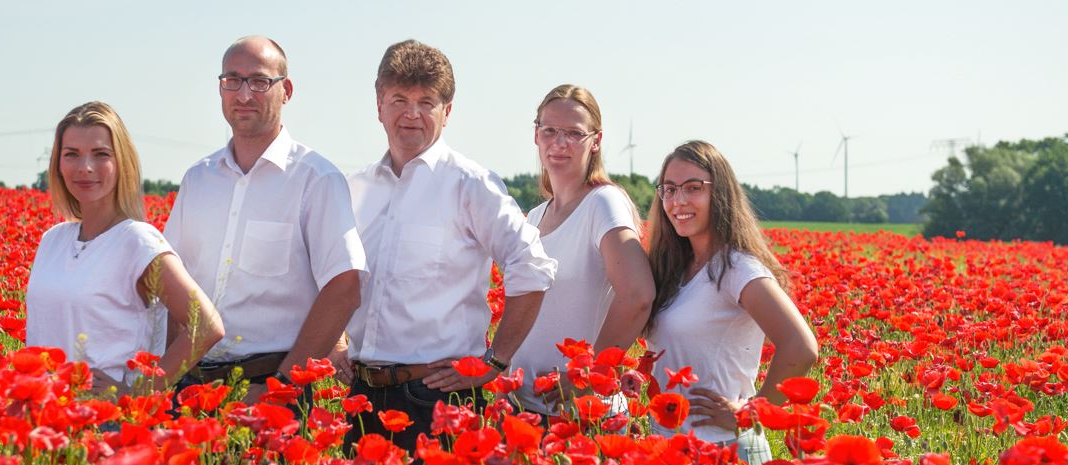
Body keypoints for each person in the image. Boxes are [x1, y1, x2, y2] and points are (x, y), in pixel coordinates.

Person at [344, 39, 557, 452]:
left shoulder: (469, 184)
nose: (411, 113)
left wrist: (495, 362)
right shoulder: (357, 188)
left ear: (448, 111)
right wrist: (336, 345)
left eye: (427, 101)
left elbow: (532, 265)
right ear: (378, 104)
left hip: (436, 398)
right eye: (399, 99)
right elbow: (335, 276)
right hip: (362, 397)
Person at [164, 36, 366, 401]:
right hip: (192, 389)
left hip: (270, 387)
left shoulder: (315, 179)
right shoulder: (198, 178)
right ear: (220, 87)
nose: (243, 95)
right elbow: (173, 286)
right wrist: (169, 378)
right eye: (232, 81)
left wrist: (283, 387)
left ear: (286, 90)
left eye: (259, 82)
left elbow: (344, 287)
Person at [26, 101, 225, 397]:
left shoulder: (137, 241)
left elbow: (206, 326)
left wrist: (138, 392)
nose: (85, 168)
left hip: (102, 420)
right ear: (58, 163)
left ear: (122, 163)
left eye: (100, 154)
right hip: (44, 412)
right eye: (72, 155)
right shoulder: (53, 240)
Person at [644, 140, 819, 462]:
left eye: (693, 188)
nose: (678, 200)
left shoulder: (737, 267)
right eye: (668, 189)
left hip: (724, 446)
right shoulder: (675, 269)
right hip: (673, 444)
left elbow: (801, 346)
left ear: (720, 193)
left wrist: (750, 414)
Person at [512, 84, 653, 417]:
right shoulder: (535, 216)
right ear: (536, 134)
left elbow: (638, 294)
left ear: (597, 141)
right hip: (525, 405)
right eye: (549, 130)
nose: (559, 143)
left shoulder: (603, 203)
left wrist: (590, 376)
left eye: (574, 134)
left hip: (580, 412)